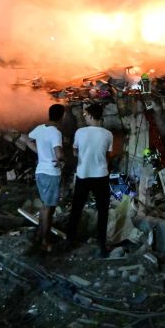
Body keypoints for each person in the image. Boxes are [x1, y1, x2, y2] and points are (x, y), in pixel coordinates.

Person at [66, 102, 114, 256]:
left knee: (76, 209)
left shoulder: (80, 132)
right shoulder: (108, 134)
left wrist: (81, 154)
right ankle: (101, 244)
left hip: (83, 175)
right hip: (101, 175)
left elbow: (74, 152)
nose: (85, 118)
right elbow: (108, 156)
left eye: (86, 115)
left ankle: (70, 240)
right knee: (103, 211)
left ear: (92, 116)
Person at [23, 103, 65, 251]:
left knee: (46, 205)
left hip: (40, 171)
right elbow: (58, 153)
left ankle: (40, 234)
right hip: (51, 173)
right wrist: (62, 161)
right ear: (62, 116)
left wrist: (39, 152)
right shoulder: (55, 132)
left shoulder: (39, 129)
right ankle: (45, 242)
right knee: (49, 208)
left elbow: (27, 139)